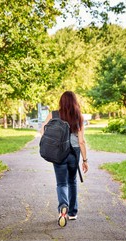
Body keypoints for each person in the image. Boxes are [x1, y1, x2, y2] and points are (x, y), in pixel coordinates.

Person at [41, 91, 88, 227]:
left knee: (61, 183)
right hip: (74, 153)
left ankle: (63, 206)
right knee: (72, 182)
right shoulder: (78, 117)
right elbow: (81, 141)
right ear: (75, 102)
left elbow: (43, 131)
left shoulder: (53, 115)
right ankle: (72, 213)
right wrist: (85, 160)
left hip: (58, 153)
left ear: (61, 102)